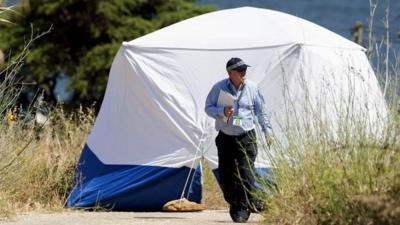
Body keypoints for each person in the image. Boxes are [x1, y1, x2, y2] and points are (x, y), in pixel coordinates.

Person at [205, 57, 272, 223]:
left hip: (246, 136)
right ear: (230, 73)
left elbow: (261, 111)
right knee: (227, 175)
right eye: (240, 70)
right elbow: (208, 107)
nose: (244, 73)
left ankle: (243, 208)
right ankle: (236, 203)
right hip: (225, 137)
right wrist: (221, 111)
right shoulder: (218, 87)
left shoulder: (252, 88)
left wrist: (267, 131)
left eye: (245, 70)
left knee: (246, 174)